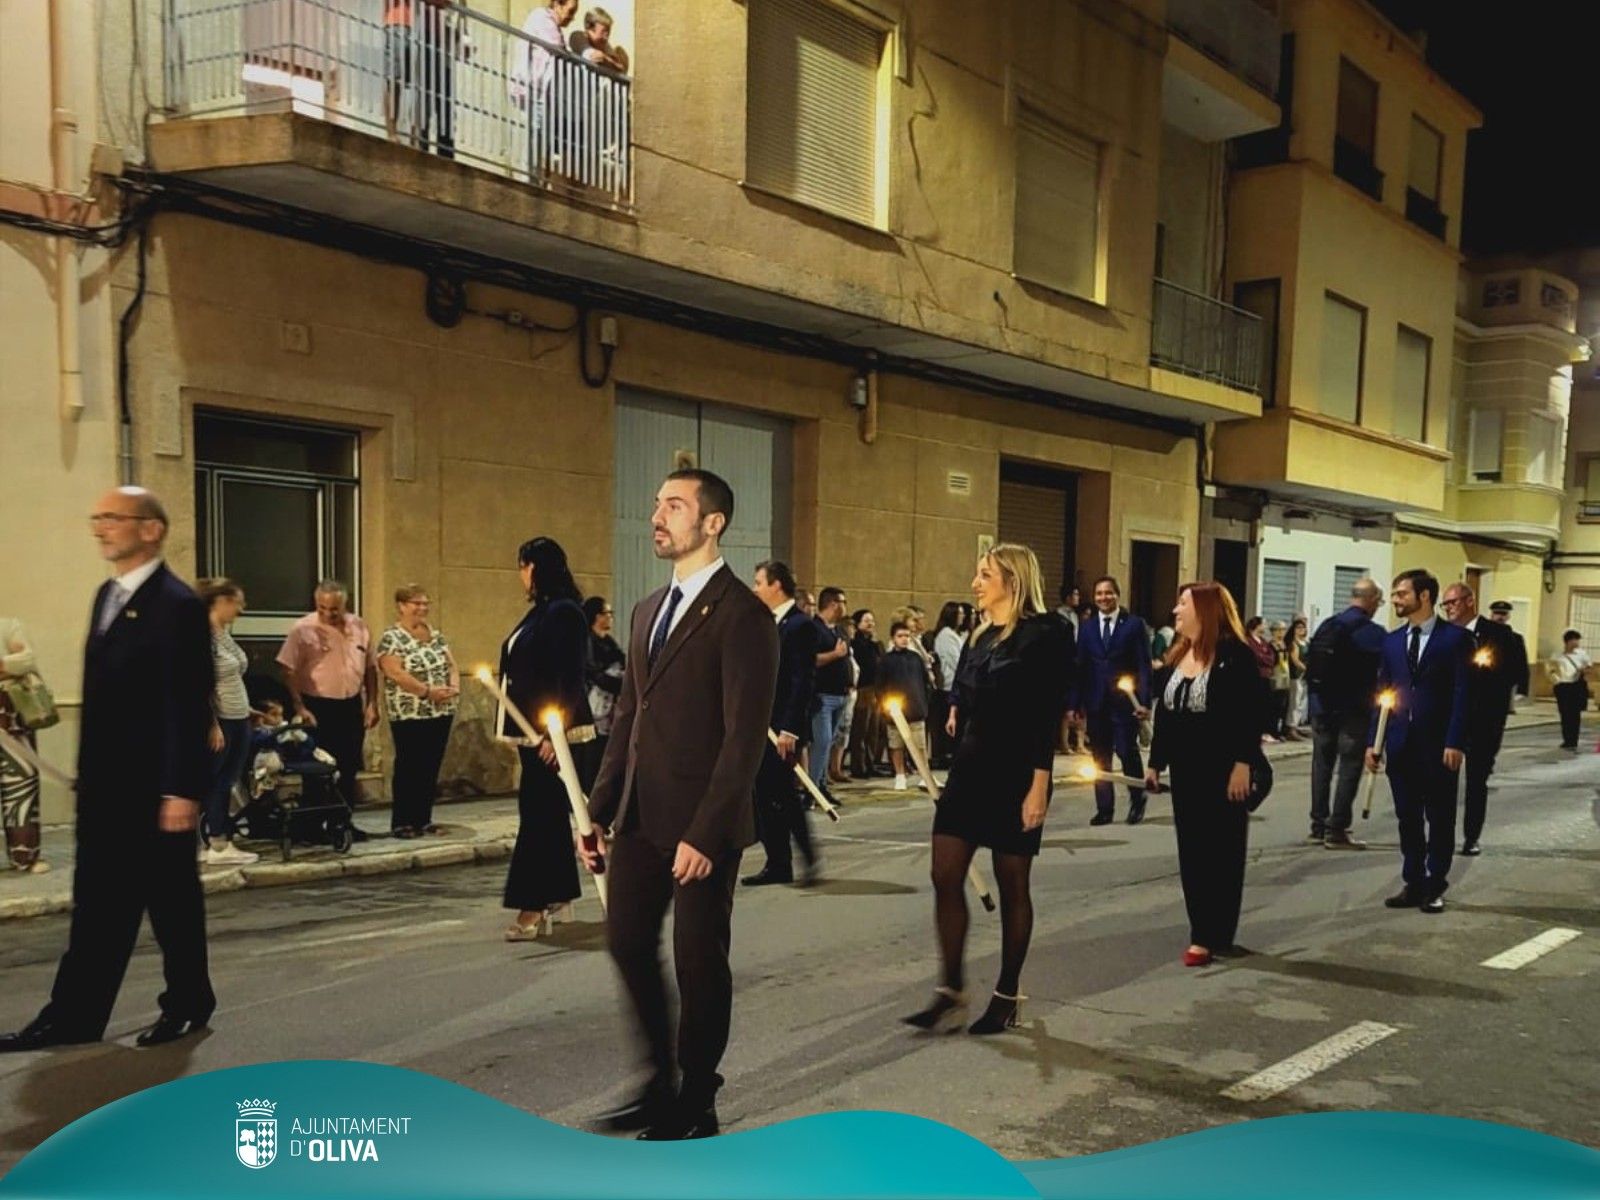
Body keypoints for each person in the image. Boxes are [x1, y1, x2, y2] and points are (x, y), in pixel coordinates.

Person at [583, 469, 777, 1140]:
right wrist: (599, 810)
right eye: (656, 502)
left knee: (699, 962)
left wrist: (706, 831)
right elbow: (629, 720)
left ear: (712, 522)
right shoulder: (645, 611)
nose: (656, 516)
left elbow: (744, 738)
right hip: (640, 817)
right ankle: (657, 1083)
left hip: (703, 827)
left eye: (673, 505)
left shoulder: (743, 616)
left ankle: (698, 1096)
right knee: (628, 942)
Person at [0, 487, 215, 1051]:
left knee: (171, 906)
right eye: (97, 517)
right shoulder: (106, 596)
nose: (100, 528)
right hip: (106, 790)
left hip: (156, 792)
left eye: (113, 518)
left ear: (151, 529)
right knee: (97, 906)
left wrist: (180, 790)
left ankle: (189, 1003)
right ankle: (73, 1016)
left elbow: (186, 702)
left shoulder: (178, 604)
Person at [904, 544, 1067, 1035]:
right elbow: (966, 694)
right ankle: (951, 988)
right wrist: (957, 710)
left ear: (1012, 582)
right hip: (971, 770)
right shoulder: (980, 636)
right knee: (944, 872)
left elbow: (1046, 713)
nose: (975, 582)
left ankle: (1006, 994)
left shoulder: (1046, 634)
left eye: (984, 574)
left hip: (1019, 772)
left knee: (1013, 882)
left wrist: (1039, 785)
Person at [1144, 582, 1266, 967]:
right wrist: (1154, 762)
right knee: (1192, 851)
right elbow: (1165, 716)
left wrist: (1243, 762)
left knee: (1224, 852)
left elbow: (1250, 713)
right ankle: (1201, 930)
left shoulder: (1235, 656)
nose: (1175, 611)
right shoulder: (1177, 656)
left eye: (1183, 604)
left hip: (1225, 769)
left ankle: (1218, 934)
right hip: (1186, 772)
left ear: (1205, 610)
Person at [498, 538, 593, 940]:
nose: (521, 575)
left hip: (553, 734)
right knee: (546, 816)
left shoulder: (564, 613)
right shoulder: (541, 613)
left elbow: (570, 676)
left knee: (537, 818)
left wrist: (557, 734)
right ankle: (557, 894)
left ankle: (532, 905)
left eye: (523, 566)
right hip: (532, 732)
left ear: (537, 567)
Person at [1365, 569, 1471, 915]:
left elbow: (1463, 693)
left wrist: (1455, 740)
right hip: (1400, 742)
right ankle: (1413, 880)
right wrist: (1373, 742)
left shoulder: (1454, 639)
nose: (1395, 600)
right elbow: (1383, 692)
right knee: (1407, 816)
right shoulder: (1392, 642)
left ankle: (1435, 882)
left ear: (1423, 597)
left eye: (1401, 594)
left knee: (1439, 816)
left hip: (1439, 745)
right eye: (1395, 594)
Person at [276, 580, 378, 836]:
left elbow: (370, 667)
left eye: (334, 609)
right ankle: (312, 824)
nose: (328, 614)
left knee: (348, 765)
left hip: (350, 704)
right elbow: (287, 669)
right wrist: (299, 706)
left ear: (344, 604)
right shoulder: (303, 629)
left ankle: (341, 821)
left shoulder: (359, 626)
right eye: (322, 608)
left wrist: (372, 704)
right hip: (317, 705)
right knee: (317, 768)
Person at [742, 560, 819, 887]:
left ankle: (799, 857)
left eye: (759, 582)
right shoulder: (764, 623)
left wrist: (790, 729)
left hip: (783, 729)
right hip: (762, 725)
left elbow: (801, 681)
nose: (755, 588)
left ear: (776, 585)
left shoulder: (799, 625)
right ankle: (780, 862)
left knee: (780, 794)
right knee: (769, 794)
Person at [1304, 577, 1385, 848]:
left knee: (1321, 765)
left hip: (1320, 708)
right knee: (1350, 766)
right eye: (1379, 601)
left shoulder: (1327, 626)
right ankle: (1337, 829)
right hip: (1353, 711)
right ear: (1371, 599)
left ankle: (1318, 824)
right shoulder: (1373, 634)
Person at [376, 584, 460, 840]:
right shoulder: (392, 637)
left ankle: (424, 818)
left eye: (425, 603)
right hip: (410, 711)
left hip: (440, 710)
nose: (422, 608)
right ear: (402, 606)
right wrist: (425, 691)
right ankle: (403, 820)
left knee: (430, 764)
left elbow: (451, 664)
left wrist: (454, 686)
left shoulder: (435, 634)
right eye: (416, 603)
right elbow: (395, 672)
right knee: (409, 765)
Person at [1441, 583, 1518, 856]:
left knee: (1476, 781)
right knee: (1444, 783)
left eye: (1453, 602)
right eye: (1445, 604)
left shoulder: (1500, 634)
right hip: (1449, 720)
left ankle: (1471, 836)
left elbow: (1514, 673)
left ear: (1470, 601)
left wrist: (1484, 671)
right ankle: (1442, 837)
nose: (1449, 608)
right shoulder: (1443, 635)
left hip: (1484, 720)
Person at [1074, 576, 1151, 825]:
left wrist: (1144, 701)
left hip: (1124, 702)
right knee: (1100, 757)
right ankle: (1104, 808)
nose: (1103, 598)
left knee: (1127, 751)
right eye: (1099, 594)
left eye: (1108, 593)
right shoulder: (1086, 627)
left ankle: (1137, 799)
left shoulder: (1134, 625)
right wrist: (1075, 703)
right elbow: (1080, 666)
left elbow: (1144, 665)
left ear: (1117, 595)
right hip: (1096, 702)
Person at [196, 579, 259, 867]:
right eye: (236, 602)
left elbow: (234, 675)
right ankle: (217, 840)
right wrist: (211, 724)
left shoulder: (222, 634)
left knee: (228, 779)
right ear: (219, 601)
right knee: (217, 780)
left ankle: (217, 837)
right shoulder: (201, 637)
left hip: (238, 716)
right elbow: (198, 685)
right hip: (220, 719)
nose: (240, 609)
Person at [0, 616, 50, 872]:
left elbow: (27, 659)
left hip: (13, 722)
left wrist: (9, 664)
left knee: (21, 789)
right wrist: (9, 663)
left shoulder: (9, 626)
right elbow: (16, 662)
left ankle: (25, 856)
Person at [879, 621, 931, 791]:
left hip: (916, 709)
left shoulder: (916, 658)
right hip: (895, 711)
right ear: (893, 638)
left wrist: (924, 702)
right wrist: (885, 707)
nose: (904, 639)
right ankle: (900, 775)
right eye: (900, 636)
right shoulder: (886, 660)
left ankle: (925, 776)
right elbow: (880, 685)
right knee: (896, 745)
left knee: (920, 745)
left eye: (907, 636)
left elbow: (925, 682)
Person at [809, 589, 851, 796]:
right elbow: (811, 660)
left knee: (831, 742)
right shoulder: (814, 629)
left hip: (841, 694)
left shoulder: (839, 630)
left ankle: (823, 785)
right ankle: (812, 789)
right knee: (822, 742)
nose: (845, 606)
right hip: (823, 696)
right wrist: (835, 655)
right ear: (833, 604)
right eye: (843, 602)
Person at [583, 595, 626, 780]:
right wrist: (620, 684)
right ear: (596, 616)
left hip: (609, 709)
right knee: (593, 757)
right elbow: (594, 673)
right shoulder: (588, 642)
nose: (610, 617)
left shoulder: (609, 642)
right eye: (606, 613)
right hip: (595, 709)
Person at [846, 608, 883, 779]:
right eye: (866, 620)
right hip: (862, 689)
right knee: (860, 729)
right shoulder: (856, 644)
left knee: (873, 731)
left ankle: (871, 763)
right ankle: (859, 766)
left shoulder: (875, 644)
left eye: (872, 620)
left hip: (875, 690)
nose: (870, 623)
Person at [931, 602, 966, 768]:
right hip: (948, 684)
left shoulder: (954, 634)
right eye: (959, 613)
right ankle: (945, 755)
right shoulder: (946, 635)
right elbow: (956, 661)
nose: (962, 616)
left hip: (955, 684)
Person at [1549, 630, 1593, 752]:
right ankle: (1567, 739)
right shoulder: (1557, 655)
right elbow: (1552, 669)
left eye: (1578, 640)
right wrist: (1555, 681)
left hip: (1576, 686)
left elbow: (1589, 668)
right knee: (1564, 713)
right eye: (1575, 640)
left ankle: (1573, 739)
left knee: (1575, 714)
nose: (1577, 642)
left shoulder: (1582, 654)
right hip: (1562, 686)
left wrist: (1584, 671)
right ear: (1568, 641)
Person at [1487, 600, 1531, 702]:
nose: (1500, 617)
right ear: (1491, 615)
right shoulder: (1482, 635)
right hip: (1483, 684)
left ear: (1508, 616)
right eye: (1497, 613)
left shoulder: (1516, 638)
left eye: (1503, 614)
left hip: (1504, 685)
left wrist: (1522, 689)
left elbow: (1522, 663)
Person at [1244, 616, 1278, 741]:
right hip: (1256, 676)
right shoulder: (1248, 641)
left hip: (1266, 675)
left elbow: (1271, 656)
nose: (1265, 626)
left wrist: (1266, 659)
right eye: (1263, 624)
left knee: (1266, 705)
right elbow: (1256, 656)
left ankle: (1266, 731)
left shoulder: (1263, 641)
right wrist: (1264, 658)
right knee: (1256, 705)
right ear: (1257, 626)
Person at [569, 6, 629, 72]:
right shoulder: (578, 37)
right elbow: (595, 56)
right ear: (590, 29)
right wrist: (607, 60)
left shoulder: (606, 46)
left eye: (608, 32)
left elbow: (620, 68)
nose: (606, 37)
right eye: (603, 32)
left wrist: (606, 59)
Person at [1286, 616, 1310, 734]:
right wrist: (1305, 668)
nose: (1301, 630)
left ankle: (1297, 724)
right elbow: (1295, 660)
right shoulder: (1294, 643)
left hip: (1306, 675)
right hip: (1297, 675)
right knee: (1295, 701)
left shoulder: (1306, 642)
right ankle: (1291, 727)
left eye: (1303, 628)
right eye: (1299, 628)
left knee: (1302, 702)